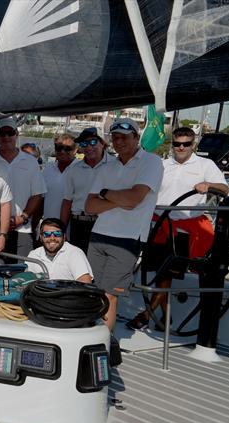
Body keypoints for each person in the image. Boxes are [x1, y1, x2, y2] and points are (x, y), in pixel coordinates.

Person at [127, 127, 229, 330]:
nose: (181, 147)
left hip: (185, 229)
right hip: (158, 224)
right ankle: (166, 318)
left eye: (186, 144)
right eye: (177, 144)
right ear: (172, 144)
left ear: (194, 145)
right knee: (159, 272)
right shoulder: (161, 165)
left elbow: (225, 189)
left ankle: (147, 315)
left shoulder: (205, 165)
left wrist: (208, 185)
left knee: (167, 274)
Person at [85, 117, 163, 331]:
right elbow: (90, 207)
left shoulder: (152, 162)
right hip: (99, 234)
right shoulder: (106, 167)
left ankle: (105, 344)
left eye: (125, 137)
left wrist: (105, 195)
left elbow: (134, 199)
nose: (119, 142)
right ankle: (90, 337)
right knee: (93, 292)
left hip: (127, 238)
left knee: (109, 295)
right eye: (115, 137)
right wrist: (120, 200)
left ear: (136, 138)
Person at [0, 117, 46, 258]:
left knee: (22, 275)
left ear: (17, 134)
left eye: (10, 133)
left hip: (23, 229)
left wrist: (23, 217)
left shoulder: (30, 161)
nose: (6, 137)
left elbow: (37, 194)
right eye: (2, 133)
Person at [61, 127, 114, 253]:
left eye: (93, 142)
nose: (88, 147)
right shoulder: (73, 170)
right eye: (84, 143)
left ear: (103, 142)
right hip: (78, 225)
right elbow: (67, 201)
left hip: (104, 223)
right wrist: (62, 229)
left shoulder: (115, 166)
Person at [26, 218, 93, 282]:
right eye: (47, 234)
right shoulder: (34, 254)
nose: (52, 238)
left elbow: (85, 282)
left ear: (64, 237)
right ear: (41, 237)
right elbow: (24, 281)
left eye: (57, 234)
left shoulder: (74, 253)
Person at [41, 134, 77, 221]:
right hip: (48, 228)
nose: (62, 151)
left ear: (75, 150)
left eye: (67, 148)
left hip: (72, 229)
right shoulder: (48, 168)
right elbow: (41, 199)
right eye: (59, 147)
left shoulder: (81, 169)